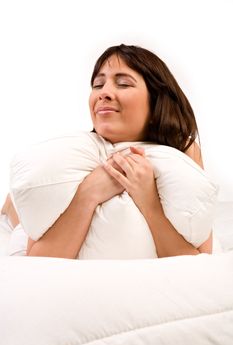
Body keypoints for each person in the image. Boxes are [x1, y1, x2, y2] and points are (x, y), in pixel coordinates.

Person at [1, 44, 212, 259]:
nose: (104, 93)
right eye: (98, 84)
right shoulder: (75, 155)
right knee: (20, 233)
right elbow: (37, 260)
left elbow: (199, 258)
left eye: (123, 84)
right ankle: (12, 207)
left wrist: (149, 200)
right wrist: (89, 192)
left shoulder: (184, 150)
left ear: (156, 100)